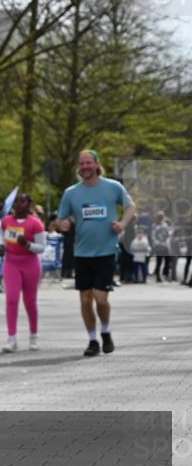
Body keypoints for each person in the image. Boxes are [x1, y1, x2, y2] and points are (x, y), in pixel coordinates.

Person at [56, 150, 135, 357]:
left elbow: (130, 206)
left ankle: (106, 331)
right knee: (84, 299)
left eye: (88, 163)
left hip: (106, 251)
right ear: (78, 167)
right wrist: (62, 224)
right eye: (81, 163)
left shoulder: (112, 187)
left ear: (96, 164)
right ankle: (92, 340)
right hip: (82, 252)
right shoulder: (71, 193)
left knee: (100, 298)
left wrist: (123, 224)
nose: (85, 167)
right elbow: (60, 219)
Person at [0, 192, 46, 352]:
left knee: (30, 302)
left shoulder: (35, 223)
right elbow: (2, 238)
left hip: (30, 263)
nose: (18, 204)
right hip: (12, 262)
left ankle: (34, 336)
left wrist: (27, 245)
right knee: (11, 300)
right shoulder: (6, 221)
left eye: (23, 201)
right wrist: (1, 247)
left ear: (29, 204)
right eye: (16, 202)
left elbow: (41, 247)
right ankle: (11, 339)